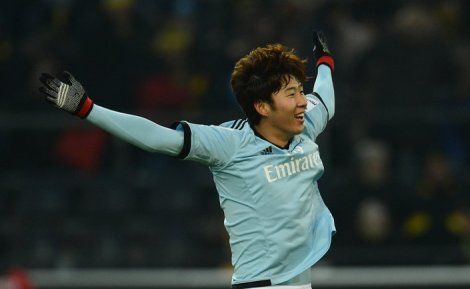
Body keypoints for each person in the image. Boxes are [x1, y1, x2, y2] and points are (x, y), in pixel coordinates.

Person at [38, 31, 336, 289]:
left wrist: (324, 61)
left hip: (301, 281)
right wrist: (88, 109)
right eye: (291, 93)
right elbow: (157, 138)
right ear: (262, 106)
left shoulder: (304, 125)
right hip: (260, 284)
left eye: (300, 91)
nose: (301, 101)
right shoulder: (230, 144)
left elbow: (324, 99)